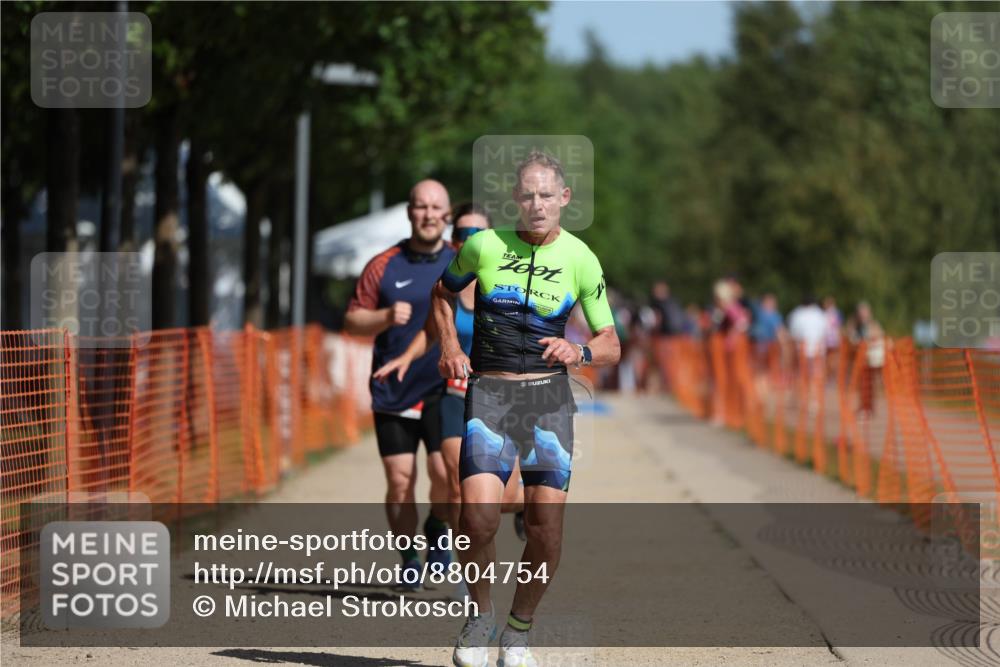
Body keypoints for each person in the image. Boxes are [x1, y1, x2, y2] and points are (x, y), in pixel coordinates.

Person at [434, 151, 621, 667]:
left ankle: (517, 631)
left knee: (545, 527)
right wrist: (449, 345)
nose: (537, 204)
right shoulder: (483, 246)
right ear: (516, 199)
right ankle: (479, 615)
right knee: (476, 518)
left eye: (547, 195)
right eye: (528, 195)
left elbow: (611, 343)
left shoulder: (582, 258)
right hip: (490, 393)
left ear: (564, 199)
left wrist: (579, 352)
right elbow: (441, 293)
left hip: (548, 400)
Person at [373, 204, 527, 563]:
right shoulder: (447, 288)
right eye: (461, 235)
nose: (468, 241)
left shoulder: (510, 283)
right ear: (453, 241)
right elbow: (428, 335)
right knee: (458, 483)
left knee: (503, 496)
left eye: (477, 234)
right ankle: (465, 571)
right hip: (456, 395)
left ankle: (457, 516)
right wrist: (402, 360)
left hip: (504, 398)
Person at [343, 179, 455, 588]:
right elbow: (353, 320)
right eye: (420, 206)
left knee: (445, 474)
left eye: (435, 207)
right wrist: (386, 317)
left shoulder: (461, 261)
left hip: (444, 386)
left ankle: (438, 525)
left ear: (447, 215)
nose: (427, 214)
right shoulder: (383, 264)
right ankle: (409, 556)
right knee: (400, 480)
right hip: (394, 387)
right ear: (410, 212)